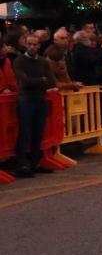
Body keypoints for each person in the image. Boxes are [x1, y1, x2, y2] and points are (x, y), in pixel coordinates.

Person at [12, 34, 56, 178]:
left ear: (39, 45)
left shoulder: (43, 61)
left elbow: (51, 81)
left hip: (40, 99)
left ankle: (35, 163)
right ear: (25, 44)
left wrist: (37, 80)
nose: (32, 47)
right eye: (29, 44)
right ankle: (21, 165)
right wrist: (41, 80)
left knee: (38, 132)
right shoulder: (19, 61)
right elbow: (23, 82)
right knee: (25, 132)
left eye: (35, 44)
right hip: (26, 100)